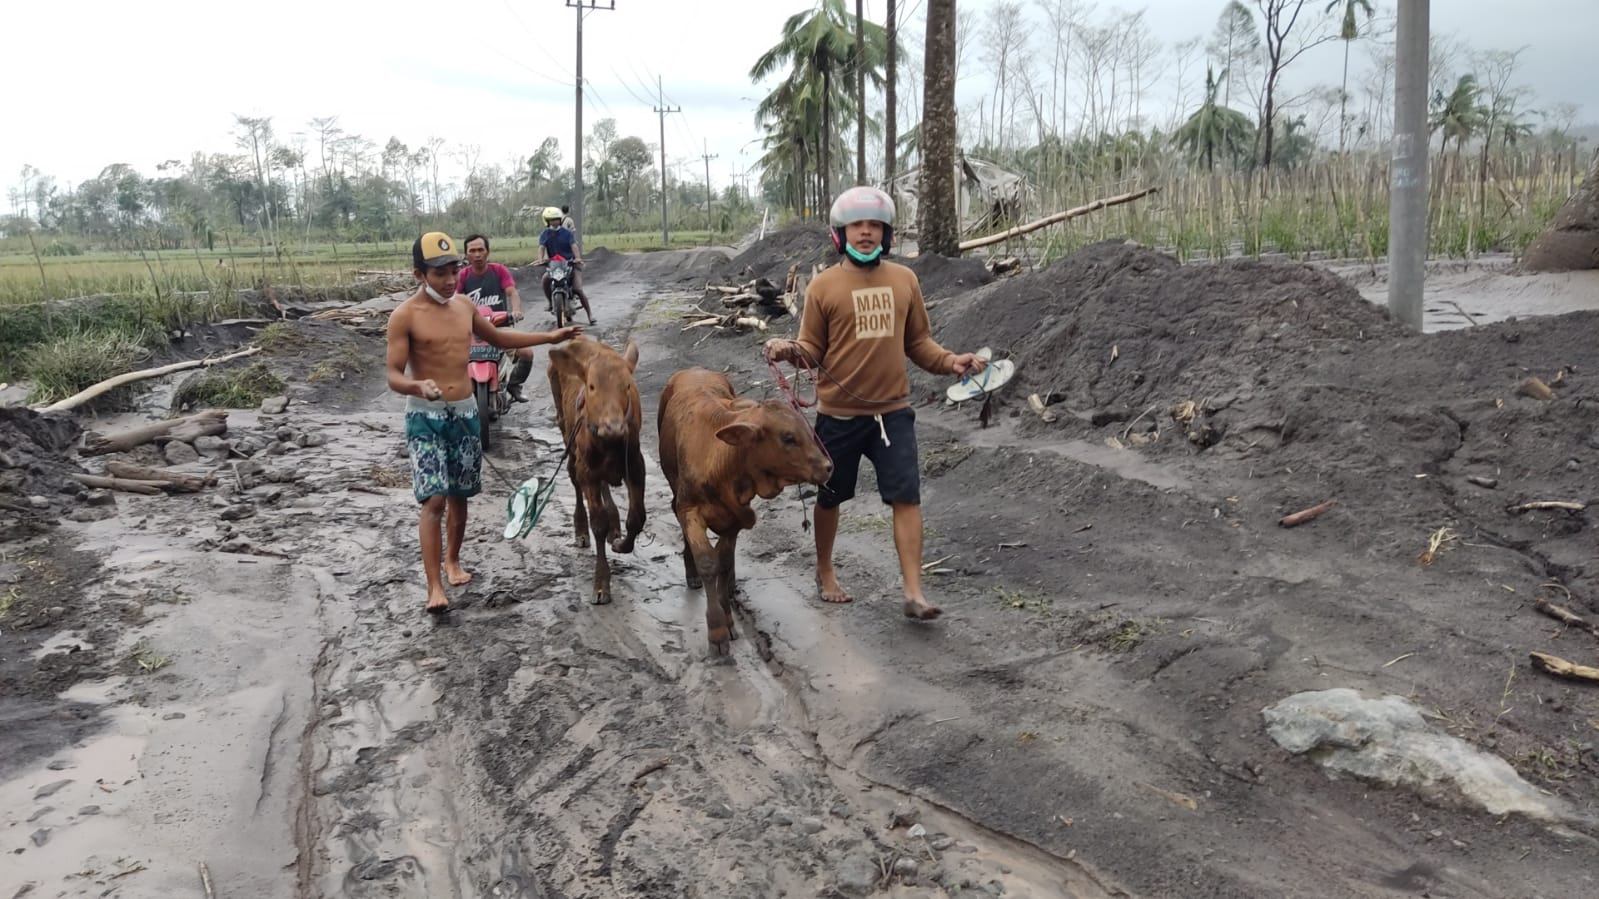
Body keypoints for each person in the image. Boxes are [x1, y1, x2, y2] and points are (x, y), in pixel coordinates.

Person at [763, 187, 986, 621]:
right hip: (839, 417)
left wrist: (950, 361)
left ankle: (914, 593)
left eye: (874, 226)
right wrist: (788, 349)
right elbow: (811, 349)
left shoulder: (905, 280)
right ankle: (825, 572)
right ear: (840, 234)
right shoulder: (824, 286)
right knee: (830, 498)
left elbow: (919, 342)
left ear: (886, 233)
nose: (865, 233)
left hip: (893, 415)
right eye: (856, 226)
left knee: (907, 498)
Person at [387, 231, 582, 615]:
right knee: (434, 498)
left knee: (460, 495)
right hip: (425, 418)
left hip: (464, 414)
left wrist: (549, 335)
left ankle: (453, 561)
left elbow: (499, 337)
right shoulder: (404, 316)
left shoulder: (463, 308)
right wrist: (416, 384)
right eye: (438, 272)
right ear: (418, 275)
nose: (447, 278)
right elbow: (393, 375)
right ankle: (433, 585)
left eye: (451, 270)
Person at [458, 234, 535, 402]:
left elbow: (511, 291)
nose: (477, 254)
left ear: (488, 252)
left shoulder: (498, 270)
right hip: (470, 331)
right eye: (472, 251)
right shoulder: (462, 276)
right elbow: (454, 300)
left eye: (480, 250)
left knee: (526, 353)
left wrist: (515, 310)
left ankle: (514, 385)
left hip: (498, 328)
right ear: (466, 254)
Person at [536, 206, 595, 325]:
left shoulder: (567, 233)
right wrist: (540, 259)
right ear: (547, 221)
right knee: (545, 280)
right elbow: (541, 248)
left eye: (557, 219)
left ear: (560, 220)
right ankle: (550, 303)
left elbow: (573, 246)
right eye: (552, 220)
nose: (555, 222)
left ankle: (590, 315)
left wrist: (577, 258)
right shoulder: (545, 234)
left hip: (570, 264)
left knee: (578, 289)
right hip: (554, 265)